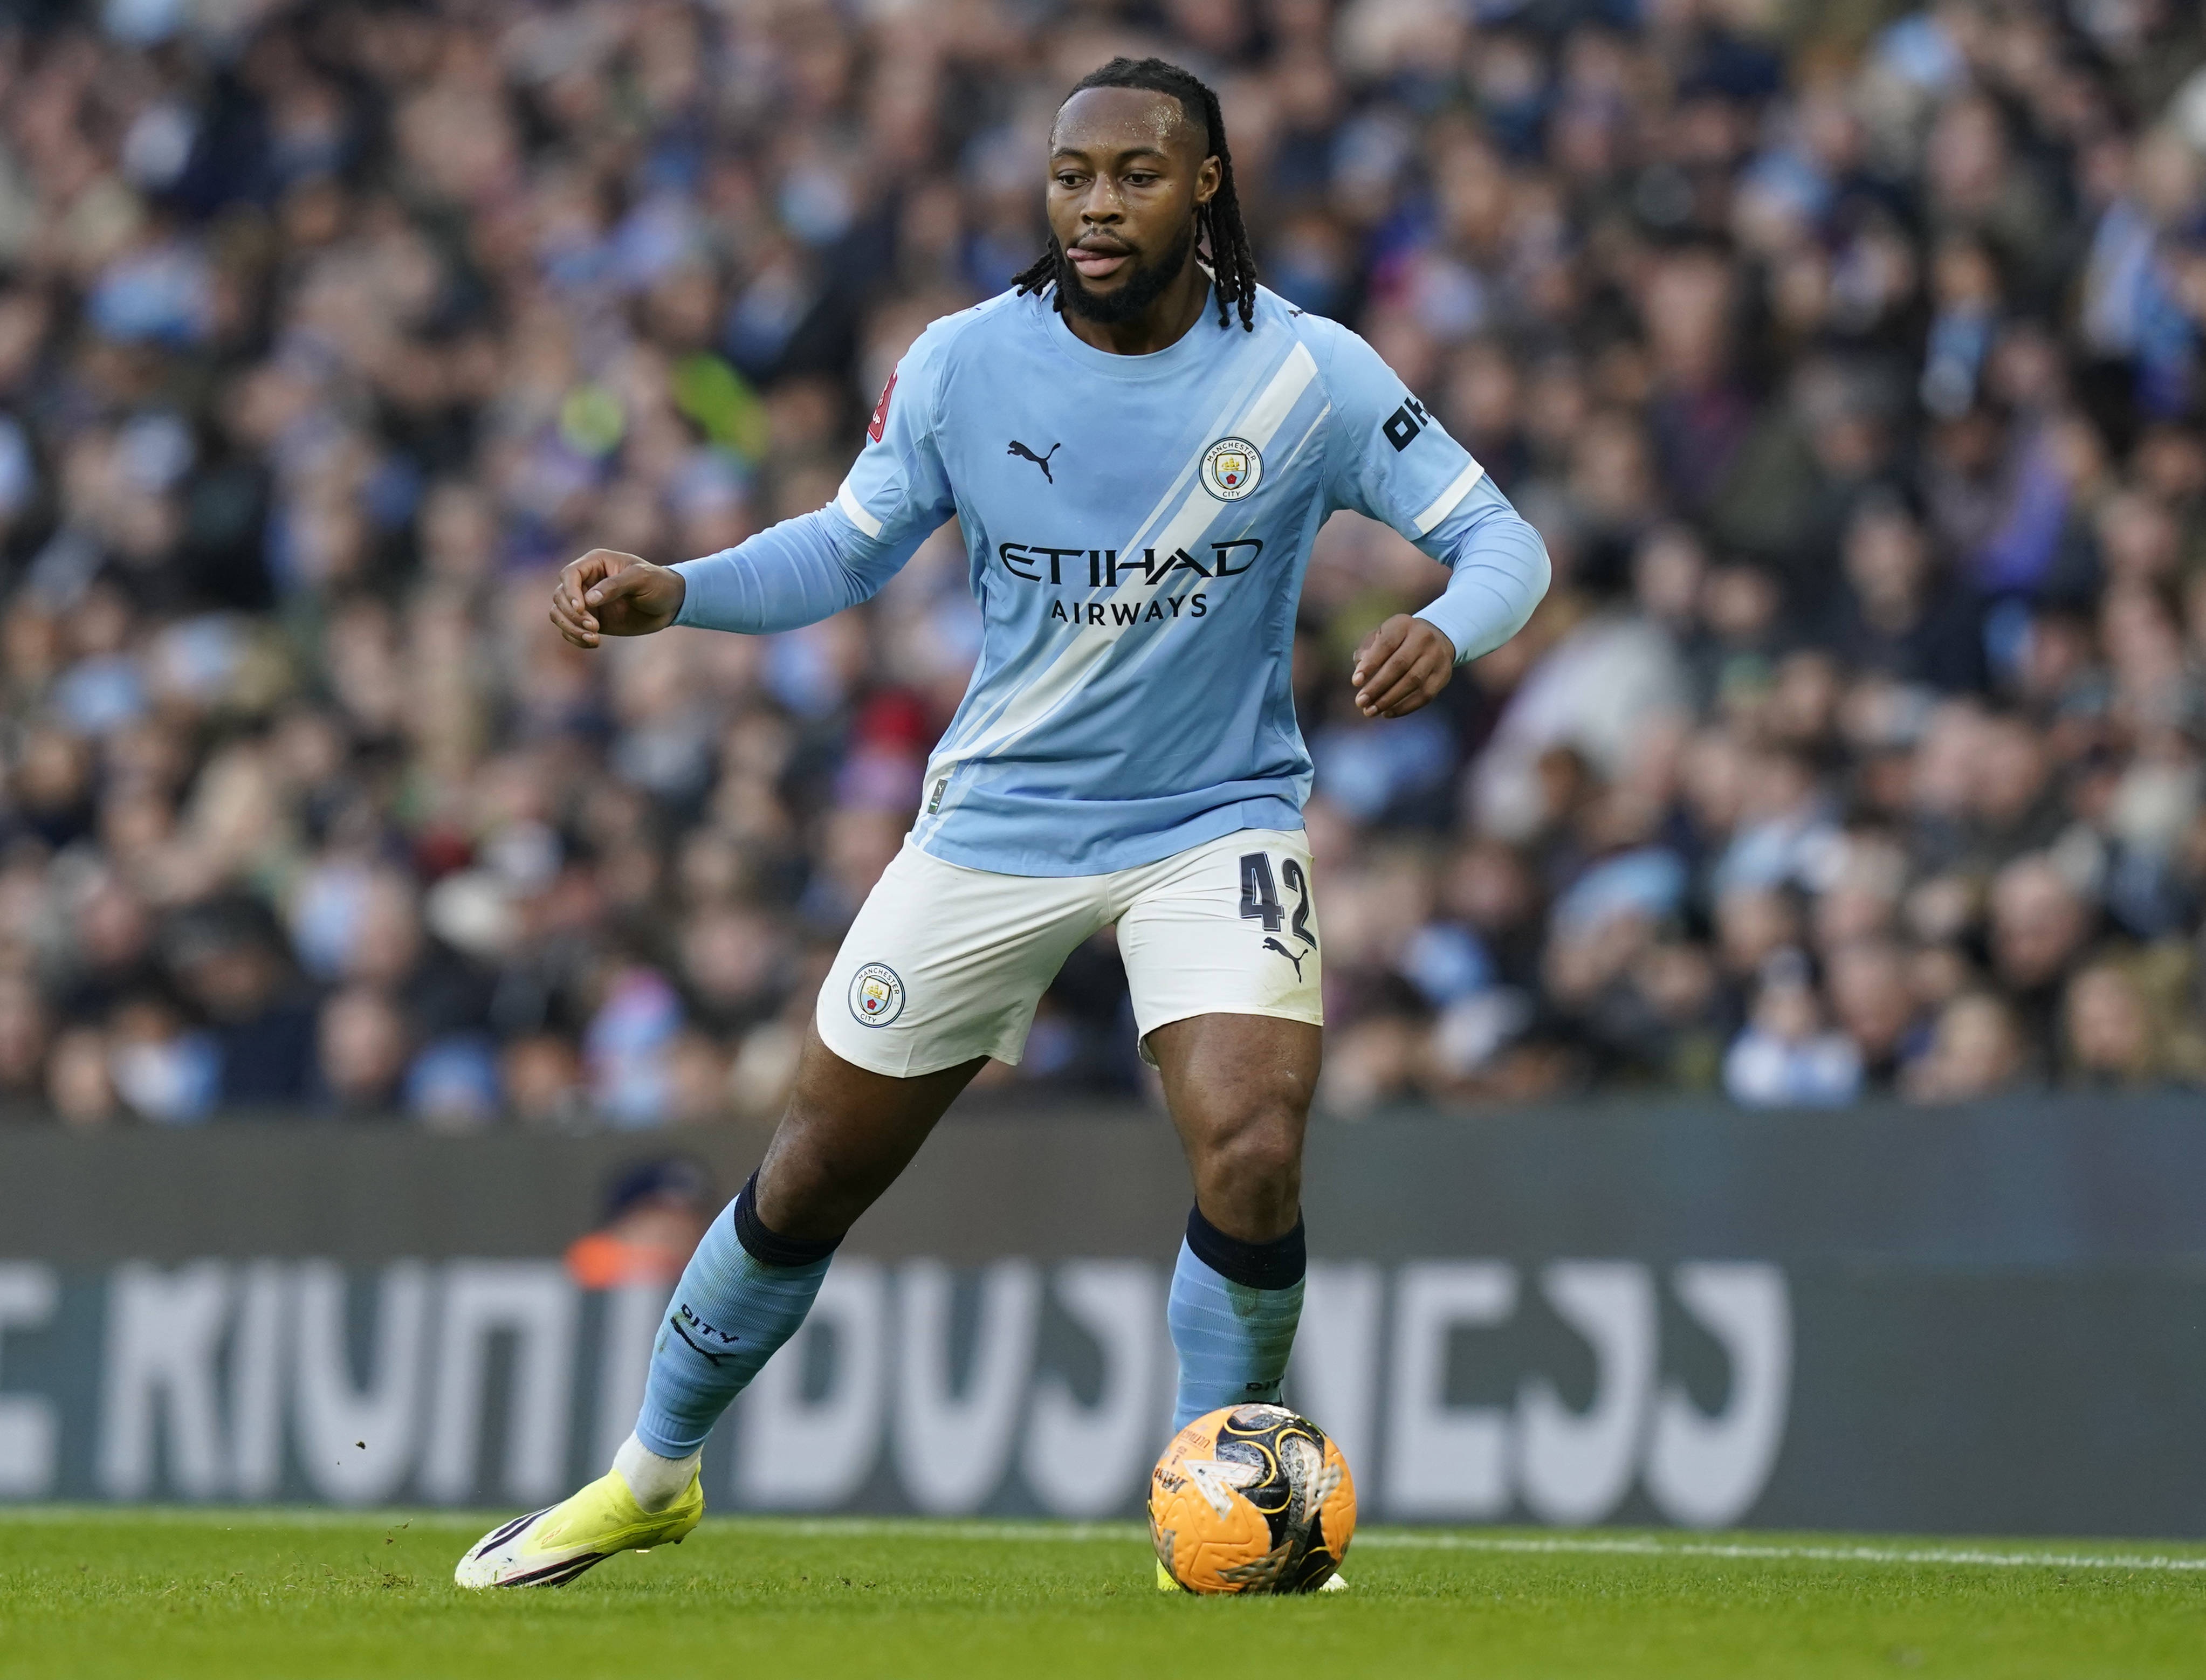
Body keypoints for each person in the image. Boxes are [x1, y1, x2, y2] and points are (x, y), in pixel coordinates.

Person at [456, 57, 1548, 1591]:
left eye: (1134, 176)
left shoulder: (1310, 375)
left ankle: (1214, 1514)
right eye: (1070, 176)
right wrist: (678, 592)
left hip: (1216, 816)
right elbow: (846, 548)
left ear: (1206, 185)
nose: (1095, 206)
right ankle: (651, 1476)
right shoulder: (964, 362)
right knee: (813, 1170)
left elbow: (1501, 541)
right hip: (999, 823)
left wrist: (1447, 626)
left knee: (1252, 1143)